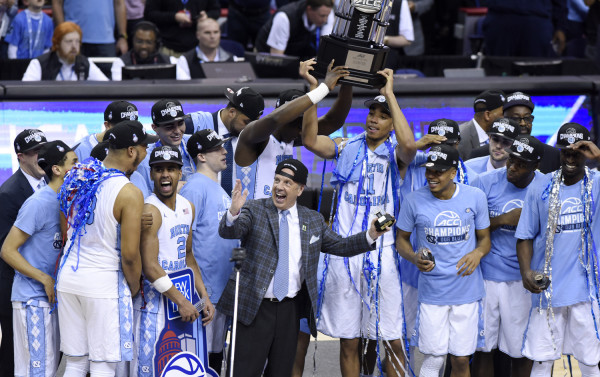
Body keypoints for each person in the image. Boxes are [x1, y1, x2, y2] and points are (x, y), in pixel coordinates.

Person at [219, 158, 391, 377]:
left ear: (300, 189)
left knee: (281, 372)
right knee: (244, 372)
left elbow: (341, 245)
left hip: (289, 310)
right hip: (254, 308)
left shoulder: (313, 220)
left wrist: (371, 235)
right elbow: (230, 232)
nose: (279, 187)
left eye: (287, 183)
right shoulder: (254, 209)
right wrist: (233, 214)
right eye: (277, 180)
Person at [302, 68, 417, 377]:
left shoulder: (396, 154)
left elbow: (410, 145)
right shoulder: (345, 147)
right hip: (344, 254)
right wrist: (316, 89)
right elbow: (310, 140)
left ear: (392, 122)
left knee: (391, 338)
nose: (373, 118)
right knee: (349, 341)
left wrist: (390, 94)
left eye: (382, 115)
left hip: (384, 256)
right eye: (371, 113)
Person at [56, 120, 157, 376]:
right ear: (132, 151)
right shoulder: (129, 192)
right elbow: (131, 256)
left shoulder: (79, 177)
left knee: (76, 363)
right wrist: (133, 288)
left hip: (69, 279)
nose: (146, 155)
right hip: (102, 284)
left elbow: (65, 228)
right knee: (103, 365)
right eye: (144, 148)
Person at [396, 144, 491, 377]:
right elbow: (401, 241)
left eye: (438, 171)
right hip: (432, 293)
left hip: (466, 293)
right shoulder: (413, 200)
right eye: (429, 170)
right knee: (434, 358)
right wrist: (413, 256)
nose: (431, 176)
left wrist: (478, 253)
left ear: (453, 171)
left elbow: (485, 239)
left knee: (460, 360)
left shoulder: (475, 196)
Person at [515, 123, 600, 377]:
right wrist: (526, 272)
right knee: (542, 360)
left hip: (586, 291)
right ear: (559, 152)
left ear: (587, 151)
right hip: (548, 288)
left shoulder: (597, 183)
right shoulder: (540, 186)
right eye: (566, 152)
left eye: (577, 152)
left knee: (590, 361)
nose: (571, 158)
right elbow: (524, 236)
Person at [131, 145, 214, 377]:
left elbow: (188, 256)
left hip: (180, 301)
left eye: (171, 169)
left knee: (180, 369)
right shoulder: (151, 210)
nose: (165, 174)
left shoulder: (188, 207)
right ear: (151, 175)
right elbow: (150, 267)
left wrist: (203, 296)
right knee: (149, 370)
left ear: (180, 173)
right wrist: (182, 300)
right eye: (158, 169)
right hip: (154, 304)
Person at [469, 135, 545, 377]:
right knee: (483, 349)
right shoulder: (484, 182)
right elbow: (468, 227)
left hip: (524, 280)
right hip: (486, 277)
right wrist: (503, 219)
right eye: (511, 160)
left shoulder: (546, 187)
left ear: (535, 166)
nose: (511, 167)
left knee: (521, 350)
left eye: (520, 164)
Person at [0, 140, 78, 377]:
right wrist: (43, 278)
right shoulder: (37, 202)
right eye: (74, 163)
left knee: (46, 370)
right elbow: (7, 250)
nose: (80, 167)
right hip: (33, 300)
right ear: (57, 169)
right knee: (38, 371)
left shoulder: (67, 200)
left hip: (51, 299)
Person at [234, 59, 353, 200]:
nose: (301, 129)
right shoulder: (253, 136)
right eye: (296, 123)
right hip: (248, 217)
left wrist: (347, 81)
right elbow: (274, 119)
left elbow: (333, 121)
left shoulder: (291, 137)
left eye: (302, 123)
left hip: (275, 216)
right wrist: (324, 88)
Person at [180, 130, 240, 373]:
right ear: (201, 156)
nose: (225, 151)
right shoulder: (194, 188)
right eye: (218, 148)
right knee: (200, 360)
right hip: (204, 293)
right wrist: (200, 292)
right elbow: (183, 244)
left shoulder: (218, 189)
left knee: (215, 356)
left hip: (220, 291)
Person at [0, 128, 46, 377]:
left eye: (43, 150)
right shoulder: (9, 194)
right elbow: (4, 249)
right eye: (35, 152)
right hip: (14, 290)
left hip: (41, 287)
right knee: (13, 354)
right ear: (20, 156)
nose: (41, 157)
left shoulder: (50, 184)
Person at [187, 87, 265, 196]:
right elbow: (168, 131)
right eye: (247, 122)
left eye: (254, 123)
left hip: (239, 209)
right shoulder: (197, 124)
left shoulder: (255, 135)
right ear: (232, 112)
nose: (250, 128)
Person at [469, 91, 561, 174]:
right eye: (515, 119)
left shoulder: (551, 155)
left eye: (527, 118)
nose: (523, 123)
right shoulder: (479, 155)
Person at [136, 99, 197, 195]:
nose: (177, 131)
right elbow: (144, 201)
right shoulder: (145, 160)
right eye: (169, 127)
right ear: (154, 128)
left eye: (180, 123)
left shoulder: (196, 143)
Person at [22, 21, 109, 81]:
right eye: (69, 41)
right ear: (57, 44)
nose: (74, 46)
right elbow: (26, 91)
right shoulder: (39, 64)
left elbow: (106, 87)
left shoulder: (85, 63)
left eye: (77, 41)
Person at [484, 0, 568, 57]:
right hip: (501, 17)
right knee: (498, 74)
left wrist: (560, 27)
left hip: (536, 21)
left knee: (538, 74)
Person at [255, 0, 335, 59]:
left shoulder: (326, 12)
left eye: (327, 16)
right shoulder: (284, 18)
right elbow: (276, 58)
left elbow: (325, 47)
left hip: (296, 49)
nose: (325, 20)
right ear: (309, 9)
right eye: (322, 16)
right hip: (268, 54)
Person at [144, 0, 220, 57]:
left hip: (197, 48)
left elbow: (216, 11)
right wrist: (174, 17)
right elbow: (149, 14)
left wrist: (207, 16)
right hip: (167, 47)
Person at [51, 0, 128, 57]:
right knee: (72, 77)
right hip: (73, 40)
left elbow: (119, 4)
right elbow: (57, 3)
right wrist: (63, 35)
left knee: (108, 78)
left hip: (106, 41)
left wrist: (122, 37)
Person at [177, 17, 243, 80]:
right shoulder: (185, 60)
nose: (212, 36)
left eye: (216, 32)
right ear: (198, 35)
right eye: (207, 33)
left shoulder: (233, 59)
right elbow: (184, 89)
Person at [73, 100, 139, 161]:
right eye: (123, 128)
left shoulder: (137, 148)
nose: (129, 132)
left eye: (132, 127)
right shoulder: (80, 150)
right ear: (107, 125)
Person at [458, 90, 506, 160]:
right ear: (487, 115)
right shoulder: (460, 138)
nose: (507, 118)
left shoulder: (502, 135)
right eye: (503, 114)